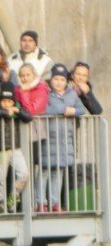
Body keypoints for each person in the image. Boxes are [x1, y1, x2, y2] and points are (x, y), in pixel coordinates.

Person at [40, 64, 85, 213]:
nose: (59, 82)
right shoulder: (45, 93)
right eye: (56, 79)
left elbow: (81, 109)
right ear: (51, 80)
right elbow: (43, 109)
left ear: (66, 81)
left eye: (62, 79)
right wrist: (62, 110)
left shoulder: (72, 94)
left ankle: (55, 202)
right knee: (44, 171)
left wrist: (73, 111)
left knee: (58, 172)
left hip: (65, 140)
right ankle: (40, 202)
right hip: (48, 138)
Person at [0, 83, 32, 213]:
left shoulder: (16, 108)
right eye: (4, 101)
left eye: (9, 101)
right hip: (1, 149)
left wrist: (18, 110)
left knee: (24, 174)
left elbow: (28, 116)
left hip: (15, 148)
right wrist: (7, 112)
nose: (7, 104)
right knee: (0, 179)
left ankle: (13, 197)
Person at [14, 63, 50, 212]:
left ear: (34, 75)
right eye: (22, 75)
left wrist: (23, 93)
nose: (25, 78)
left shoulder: (41, 88)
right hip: (19, 133)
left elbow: (31, 110)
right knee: (22, 170)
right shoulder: (17, 89)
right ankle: (20, 203)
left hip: (35, 133)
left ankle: (35, 202)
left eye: (28, 75)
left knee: (33, 168)